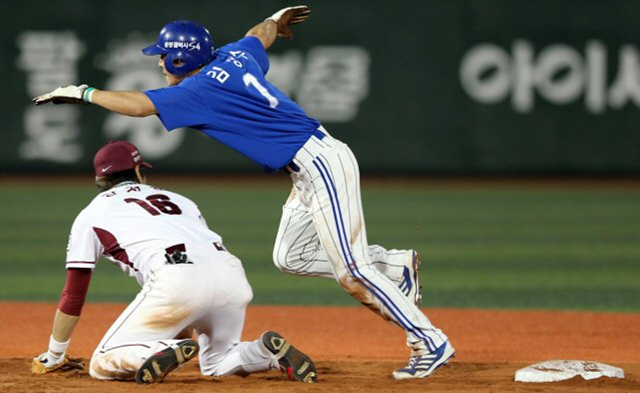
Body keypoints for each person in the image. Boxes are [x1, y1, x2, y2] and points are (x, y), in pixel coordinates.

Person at [33, 5, 454, 379]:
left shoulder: (197, 90)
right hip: (308, 164)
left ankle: (429, 340)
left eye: (163, 54)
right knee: (291, 256)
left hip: (320, 163)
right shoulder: (234, 55)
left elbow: (141, 105)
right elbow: (259, 35)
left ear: (182, 57)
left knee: (352, 271)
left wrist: (85, 93)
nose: (160, 61)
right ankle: (393, 265)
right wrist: (276, 18)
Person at [31, 140, 318, 384]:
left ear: (99, 181)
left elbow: (74, 292)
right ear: (139, 171)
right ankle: (264, 352)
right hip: (231, 274)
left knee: (102, 363)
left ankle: (155, 350)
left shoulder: (91, 214)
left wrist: (55, 355)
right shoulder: (181, 200)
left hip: (176, 277)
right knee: (217, 363)